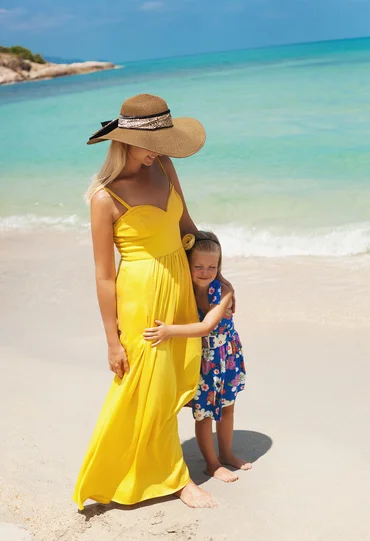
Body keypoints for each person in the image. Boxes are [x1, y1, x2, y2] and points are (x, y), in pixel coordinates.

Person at [73, 93, 221, 510]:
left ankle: (156, 463)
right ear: (124, 141)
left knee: (171, 381)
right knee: (145, 387)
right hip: (141, 301)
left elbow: (188, 228)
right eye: (152, 143)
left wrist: (216, 278)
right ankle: (175, 479)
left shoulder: (165, 168)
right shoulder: (105, 198)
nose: (159, 151)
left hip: (178, 288)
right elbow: (103, 275)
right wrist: (112, 340)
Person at [143, 231, 250, 483]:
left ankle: (226, 453)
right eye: (198, 266)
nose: (205, 271)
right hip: (201, 360)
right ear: (186, 265)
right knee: (203, 414)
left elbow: (206, 327)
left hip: (226, 355)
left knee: (227, 408)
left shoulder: (223, 290)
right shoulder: (182, 290)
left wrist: (169, 332)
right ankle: (212, 464)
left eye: (212, 266)